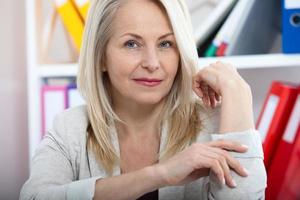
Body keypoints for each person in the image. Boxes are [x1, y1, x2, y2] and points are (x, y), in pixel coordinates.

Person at [20, 0, 267, 199]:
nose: (152, 63)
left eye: (165, 44)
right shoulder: (70, 128)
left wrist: (238, 92)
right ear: (101, 57)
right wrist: (159, 175)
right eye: (131, 44)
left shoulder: (214, 123)